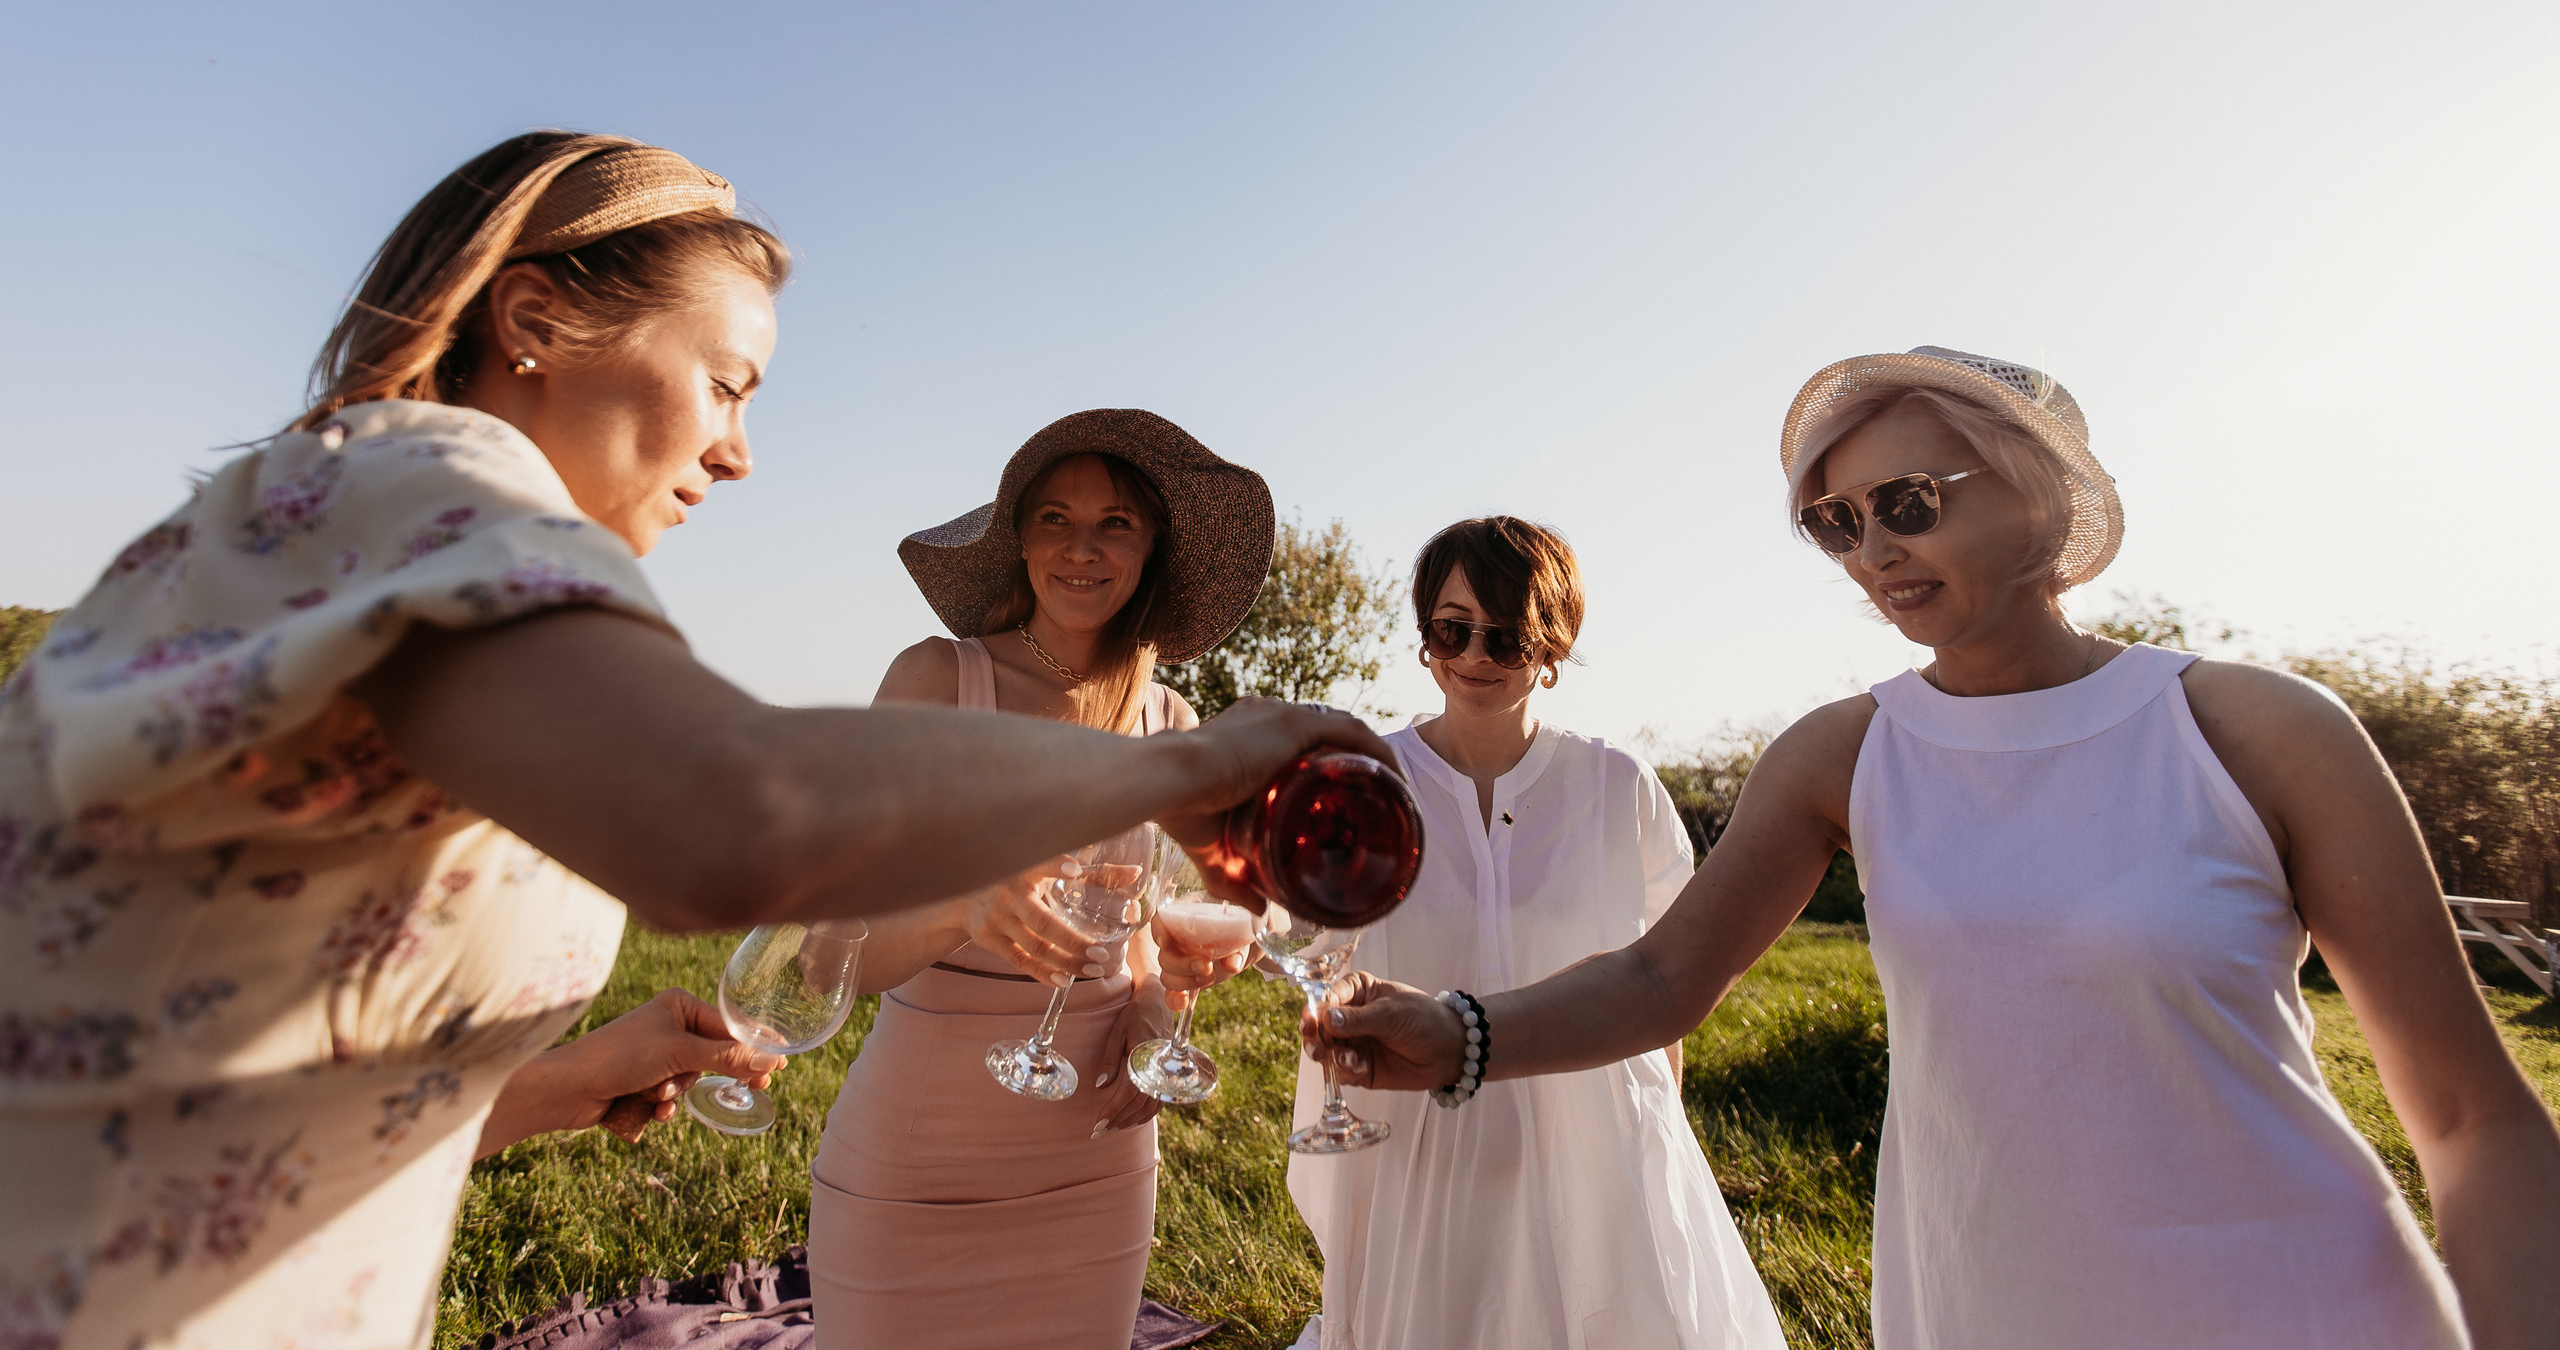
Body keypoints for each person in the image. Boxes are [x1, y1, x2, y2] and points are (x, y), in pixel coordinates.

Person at [0, 133, 1389, 1350]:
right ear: (533, 321)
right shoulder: (418, 484)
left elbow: (275, 1059)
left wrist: (560, 1082)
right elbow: (732, 819)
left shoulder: (376, 532)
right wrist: (1195, 767)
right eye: (727, 384)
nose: (739, 453)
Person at [1311, 346, 2560, 1350]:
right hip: (1973, 1307)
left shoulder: (2254, 729)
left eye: (1907, 503)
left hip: (2304, 1307)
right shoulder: (1843, 754)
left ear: (2040, 497)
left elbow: (2471, 1119)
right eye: (1836, 522)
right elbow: (1658, 977)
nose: (1872, 550)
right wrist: (1459, 1033)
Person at [804, 410, 1273, 1350]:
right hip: (917, 1159)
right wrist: (963, 906)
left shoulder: (1173, 723)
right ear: (1017, 539)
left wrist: (1152, 1006)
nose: (1081, 548)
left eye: (1114, 523)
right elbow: (821, 960)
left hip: (1097, 1162)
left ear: (1152, 546)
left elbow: (1144, 940)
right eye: (1055, 518)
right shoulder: (938, 682)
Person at [1285, 517, 1783, 1350]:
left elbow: (1665, 974)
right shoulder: (1365, 780)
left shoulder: (1618, 787)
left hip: (1590, 1137)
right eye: (1453, 629)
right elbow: (1301, 942)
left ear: (1552, 644)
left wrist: (1653, 1132)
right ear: (1425, 635)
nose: (1476, 654)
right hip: (1416, 1136)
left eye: (1507, 636)